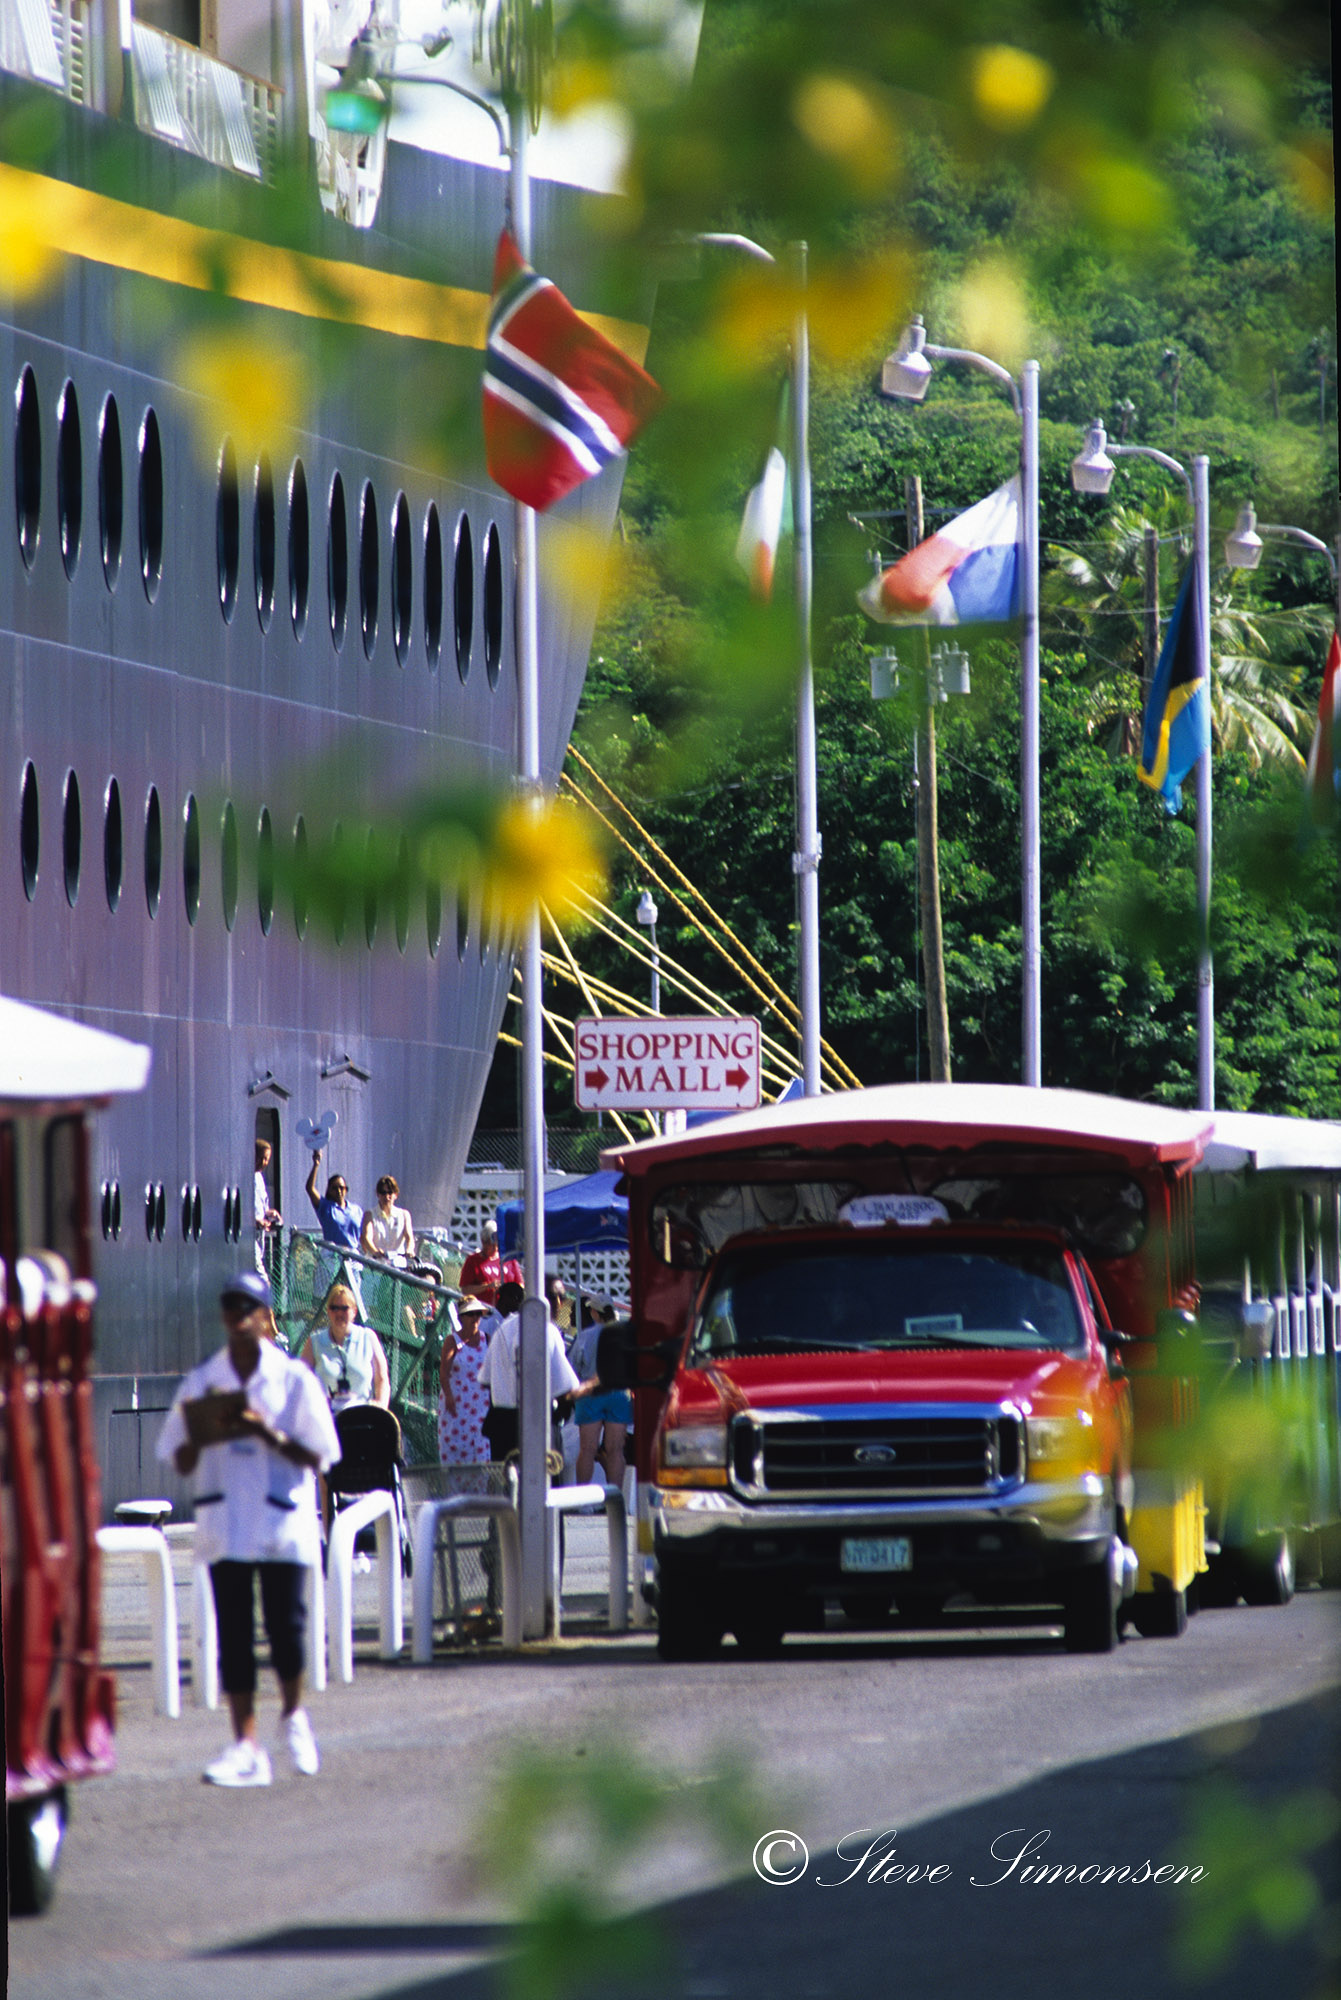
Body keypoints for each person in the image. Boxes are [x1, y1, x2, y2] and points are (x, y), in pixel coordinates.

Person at [155, 1271, 340, 1788]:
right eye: (231, 1310)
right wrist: (205, 1433)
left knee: (287, 1629)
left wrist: (266, 1431)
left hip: (281, 1519)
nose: (239, 1320)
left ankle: (295, 1716)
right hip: (226, 1520)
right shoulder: (204, 1381)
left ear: (264, 1317)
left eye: (249, 1309)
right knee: (234, 1635)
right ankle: (245, 1744)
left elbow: (320, 1455)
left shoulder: (294, 1380)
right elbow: (179, 1456)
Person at [476, 1280, 582, 1461]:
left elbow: (486, 1380)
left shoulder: (504, 1327)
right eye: (557, 1297)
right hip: (538, 1422)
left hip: (503, 1425)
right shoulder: (548, 1330)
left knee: (507, 1485)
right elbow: (566, 1386)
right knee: (543, 1484)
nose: (560, 1304)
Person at [570, 1296, 632, 1494]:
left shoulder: (586, 1336)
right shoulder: (624, 1334)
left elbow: (573, 1366)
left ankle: (581, 1500)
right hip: (619, 1393)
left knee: (587, 1449)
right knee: (615, 1450)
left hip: (590, 1393)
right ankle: (616, 1499)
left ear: (594, 1313)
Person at [299, 1284, 390, 1413]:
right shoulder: (315, 1341)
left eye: (344, 1308)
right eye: (334, 1308)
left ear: (354, 1311)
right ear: (328, 1311)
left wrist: (381, 1405)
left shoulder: (368, 1337)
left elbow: (382, 1379)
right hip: (328, 1418)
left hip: (362, 1418)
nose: (339, 1313)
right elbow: (300, 1380)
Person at [304, 1151, 365, 1315]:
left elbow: (363, 1235)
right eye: (335, 1188)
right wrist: (316, 1164)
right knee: (325, 1295)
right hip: (331, 1255)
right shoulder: (326, 1207)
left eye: (342, 1188)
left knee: (352, 1296)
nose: (339, 1191)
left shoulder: (356, 1210)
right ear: (329, 1190)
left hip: (352, 1255)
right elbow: (309, 1189)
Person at [437, 1295, 493, 1469]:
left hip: (481, 1406)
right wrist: (449, 1397)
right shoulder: (452, 1341)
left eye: (478, 1314)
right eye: (470, 1314)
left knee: (481, 1453)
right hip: (457, 1406)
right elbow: (444, 1373)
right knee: (455, 1452)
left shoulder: (487, 1339)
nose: (475, 1319)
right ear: (461, 1317)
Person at [457, 1219, 522, 1308]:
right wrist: (487, 1286)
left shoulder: (509, 1259)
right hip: (483, 1311)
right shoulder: (473, 1260)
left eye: (496, 1245)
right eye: (490, 1244)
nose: (494, 1248)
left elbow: (520, 1285)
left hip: (507, 1311)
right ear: (483, 1242)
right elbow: (465, 1289)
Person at [254, 1139, 282, 1277]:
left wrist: (271, 1214)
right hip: (248, 1237)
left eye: (266, 1159)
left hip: (259, 1235)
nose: (264, 1163)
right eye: (261, 1158)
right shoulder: (243, 1177)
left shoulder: (259, 1178)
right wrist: (254, 1221)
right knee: (262, 1278)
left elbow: (262, 1206)